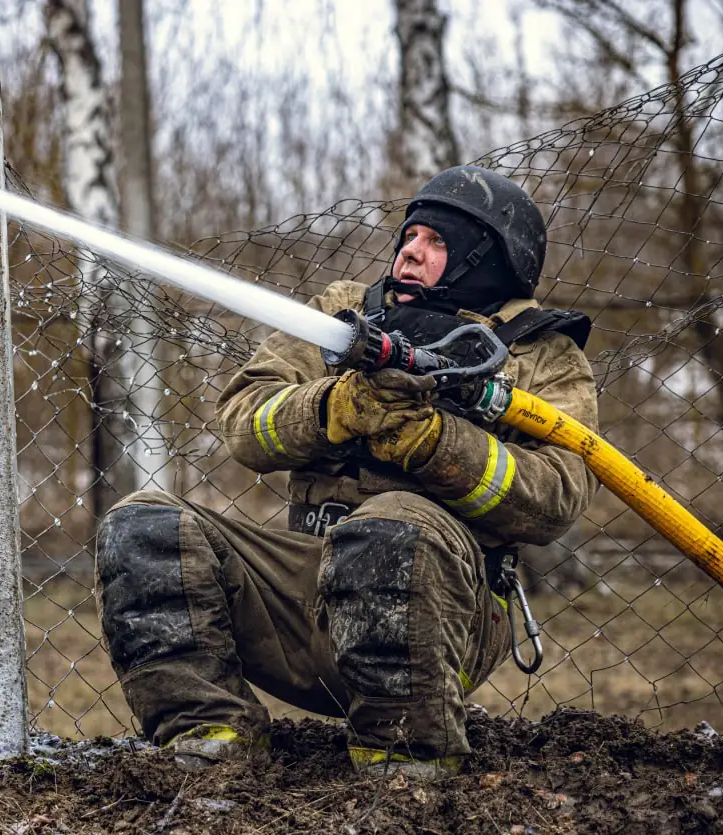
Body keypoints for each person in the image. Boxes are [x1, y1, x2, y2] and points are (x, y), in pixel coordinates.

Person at [94, 166, 599, 779]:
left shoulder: (541, 355)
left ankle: (403, 765)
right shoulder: (341, 318)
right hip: (304, 596)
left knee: (390, 527)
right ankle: (211, 738)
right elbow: (241, 422)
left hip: (445, 623)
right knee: (143, 527)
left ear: (488, 259)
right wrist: (336, 408)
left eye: (438, 242)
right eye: (410, 235)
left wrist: (435, 442)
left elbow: (559, 496)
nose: (411, 250)